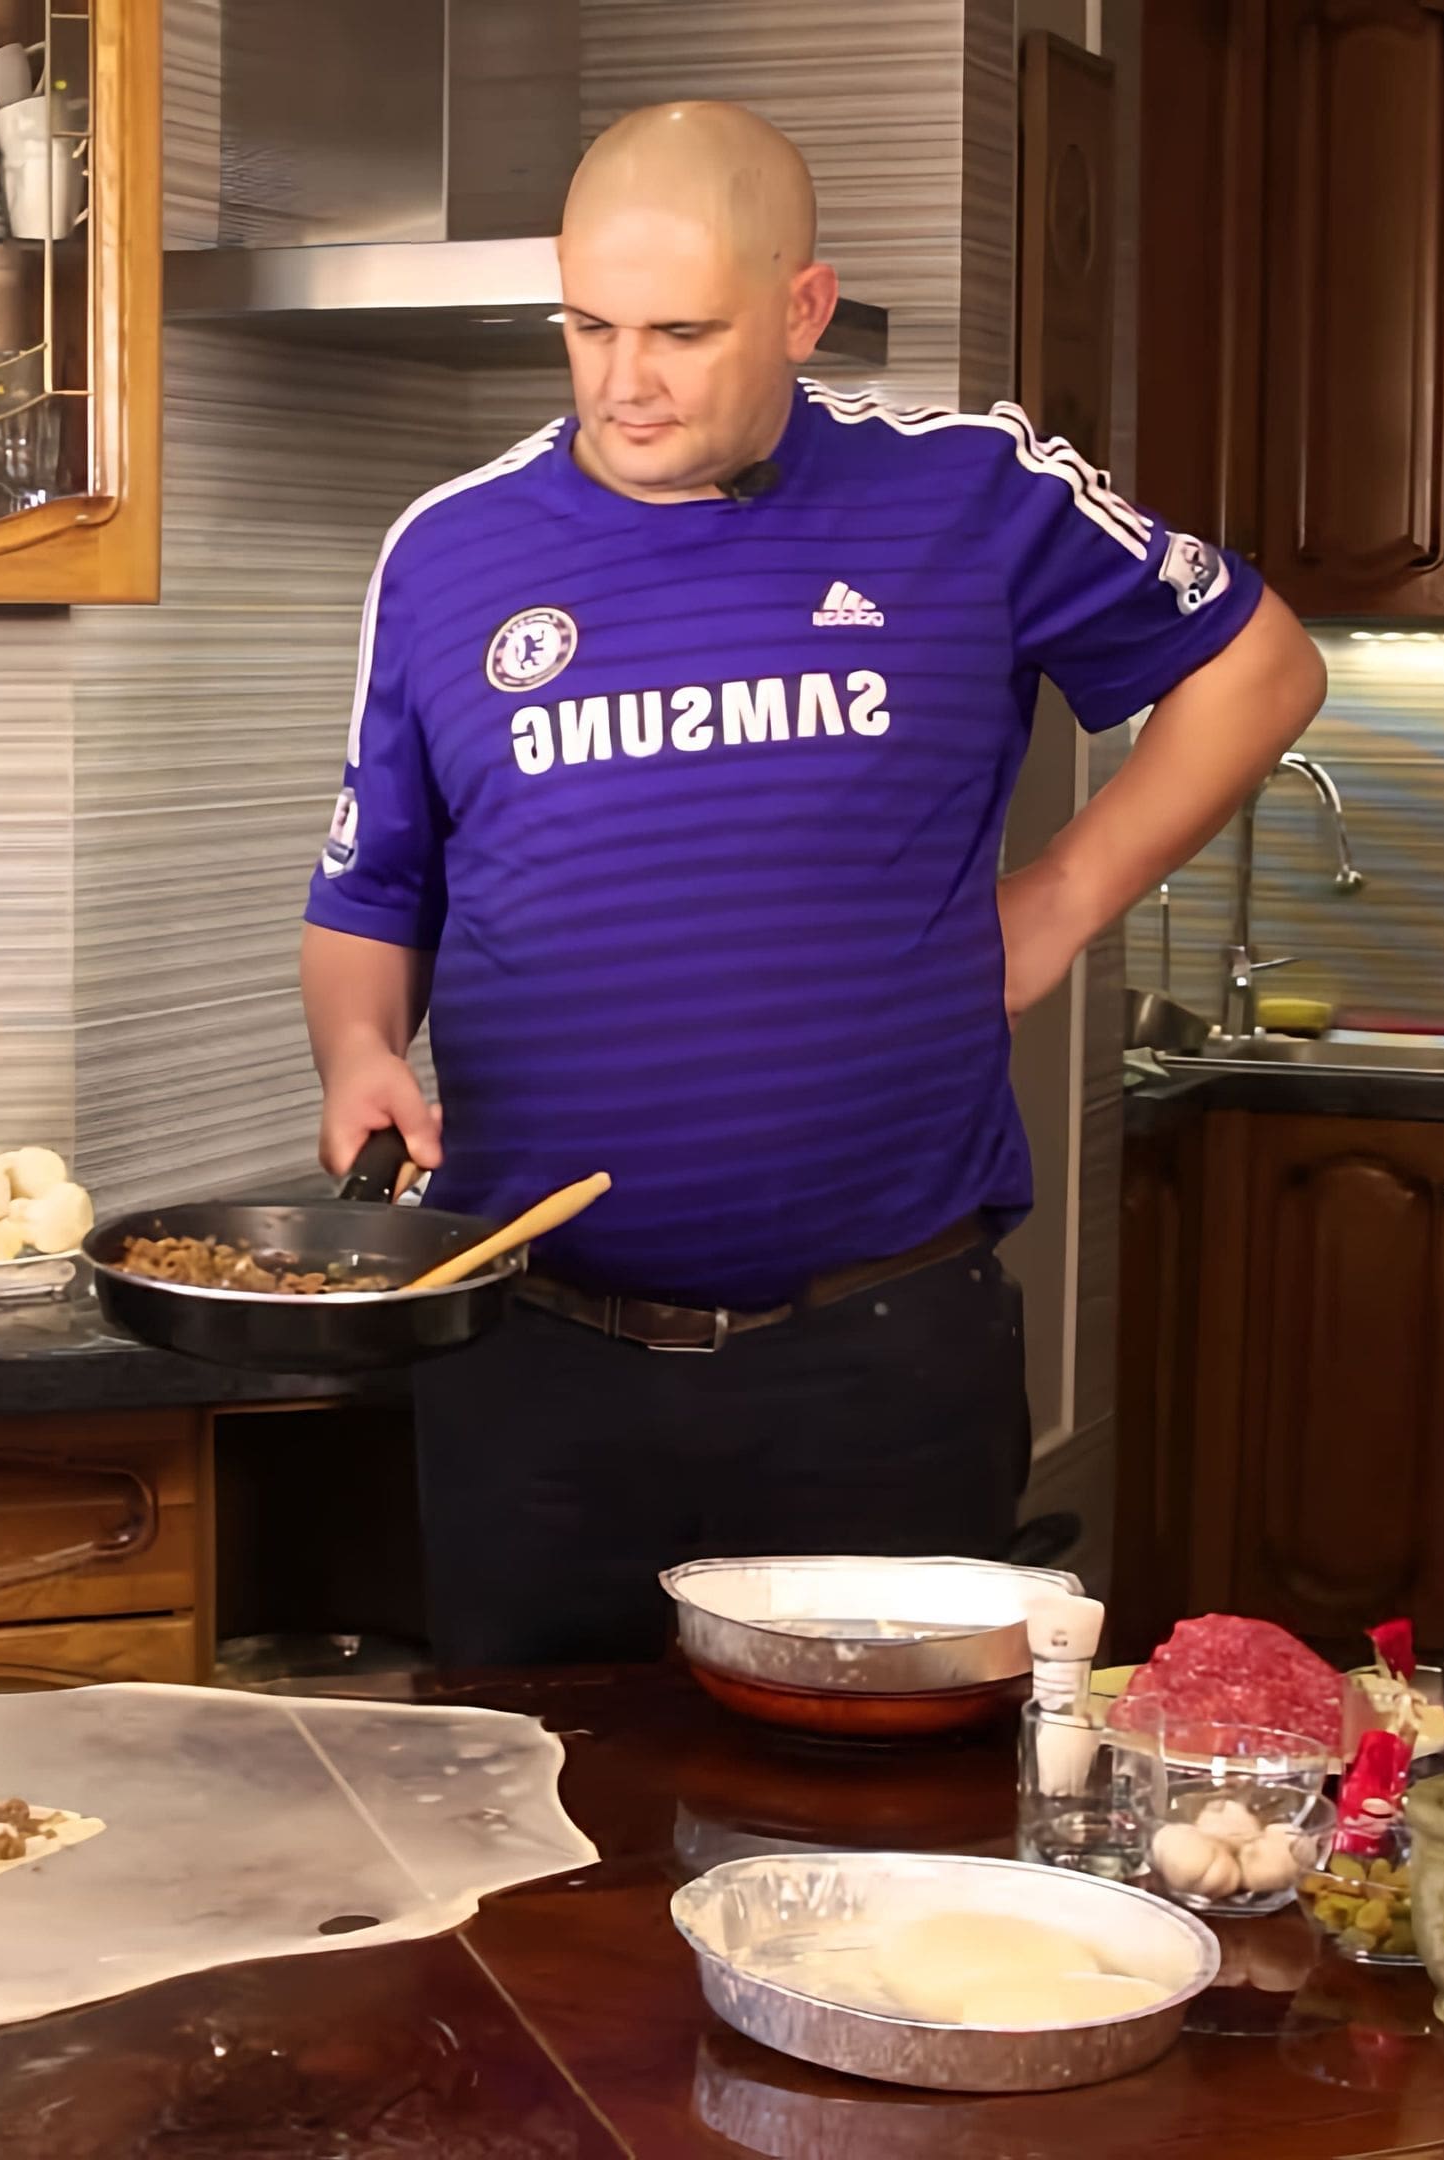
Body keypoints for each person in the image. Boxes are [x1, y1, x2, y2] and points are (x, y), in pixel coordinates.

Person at [302, 102, 1329, 1668]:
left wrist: (1060, 899)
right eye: (587, 326)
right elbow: (373, 889)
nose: (623, 381)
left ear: (802, 308)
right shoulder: (449, 551)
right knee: (537, 1800)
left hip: (878, 1357)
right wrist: (359, 1049)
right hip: (533, 1356)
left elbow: (1260, 667)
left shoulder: (970, 493)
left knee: (884, 1814)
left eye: (680, 333)